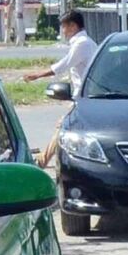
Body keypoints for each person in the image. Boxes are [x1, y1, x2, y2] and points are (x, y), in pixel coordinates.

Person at [26, 9, 96, 166]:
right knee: (66, 127)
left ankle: (43, 161)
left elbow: (64, 65)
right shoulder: (86, 42)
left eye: (64, 27)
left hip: (83, 98)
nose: (63, 31)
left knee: (63, 127)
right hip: (85, 97)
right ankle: (46, 160)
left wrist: (38, 75)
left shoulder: (82, 44)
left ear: (72, 26)